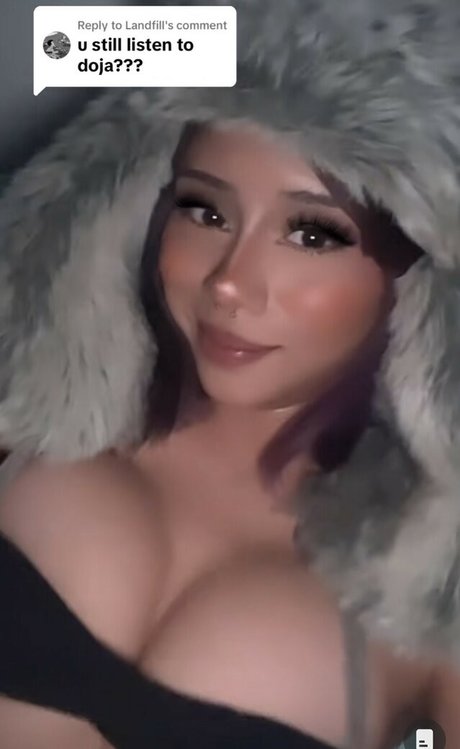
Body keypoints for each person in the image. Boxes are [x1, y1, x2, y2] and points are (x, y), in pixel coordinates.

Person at [1, 0, 460, 747]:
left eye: (312, 233)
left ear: (420, 281)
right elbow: (45, 43)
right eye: (205, 211)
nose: (229, 284)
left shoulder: (434, 584)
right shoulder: (28, 399)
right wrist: (250, 39)